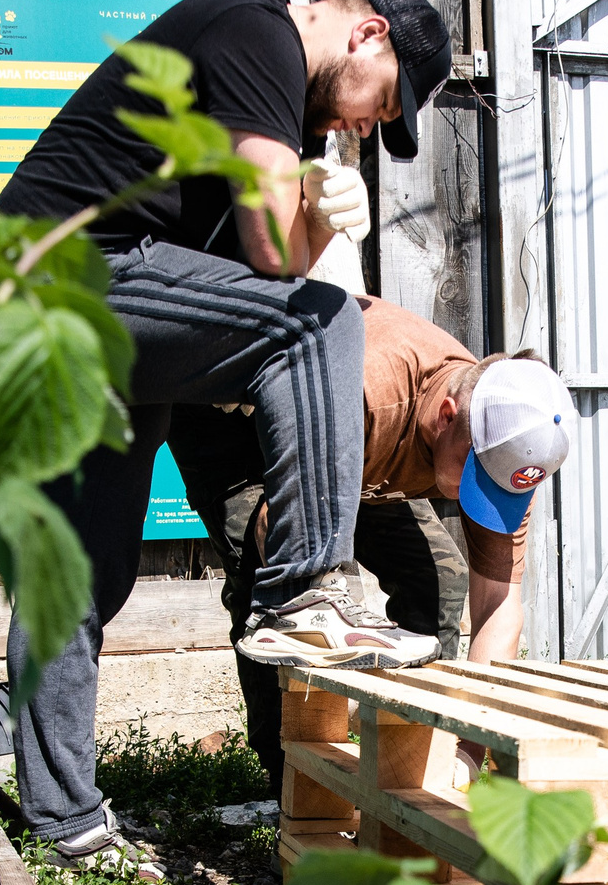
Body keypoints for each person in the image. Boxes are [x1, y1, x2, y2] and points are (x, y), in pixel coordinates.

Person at [0, 0, 453, 872]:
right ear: (368, 33)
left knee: (81, 574)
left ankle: (62, 822)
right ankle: (307, 589)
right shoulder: (258, 34)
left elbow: (269, 265)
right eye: (381, 105)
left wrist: (321, 218)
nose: (361, 128)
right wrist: (312, 203)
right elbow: (282, 270)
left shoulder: (280, 97)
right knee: (322, 323)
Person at [170, 296, 576, 791]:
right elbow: (279, 530)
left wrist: (468, 753)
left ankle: (413, 757)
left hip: (357, 452)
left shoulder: (507, 444)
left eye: (496, 487)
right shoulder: (367, 394)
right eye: (475, 477)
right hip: (231, 419)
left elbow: (499, 607)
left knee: (439, 579)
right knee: (300, 592)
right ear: (446, 416)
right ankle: (297, 781)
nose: (480, 495)